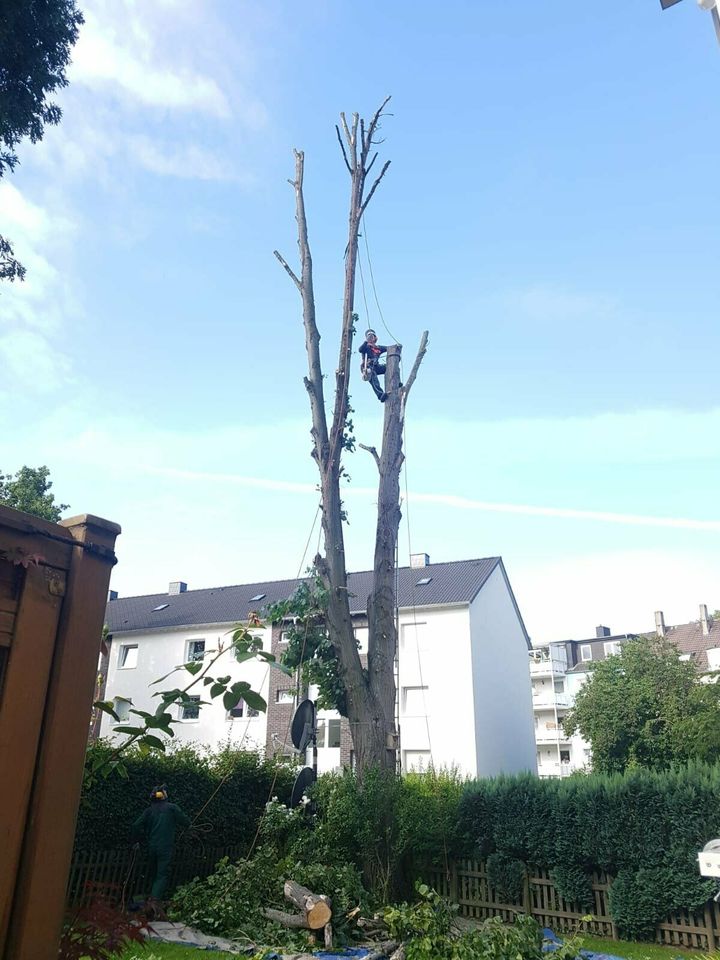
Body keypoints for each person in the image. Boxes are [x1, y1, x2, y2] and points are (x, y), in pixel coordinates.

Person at [131, 785, 190, 917]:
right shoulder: (172, 808)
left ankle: (144, 903)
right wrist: (188, 826)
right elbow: (186, 822)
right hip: (165, 848)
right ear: (164, 796)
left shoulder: (149, 811)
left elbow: (135, 825)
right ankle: (153, 904)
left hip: (151, 847)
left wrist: (135, 841)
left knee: (153, 874)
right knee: (162, 875)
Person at [359, 328, 388, 402]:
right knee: (373, 378)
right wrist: (366, 342)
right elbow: (360, 350)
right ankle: (380, 395)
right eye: (369, 336)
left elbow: (389, 348)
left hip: (376, 366)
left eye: (373, 336)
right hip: (368, 367)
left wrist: (396, 347)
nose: (371, 338)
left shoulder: (378, 348)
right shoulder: (366, 347)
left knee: (388, 367)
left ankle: (397, 383)